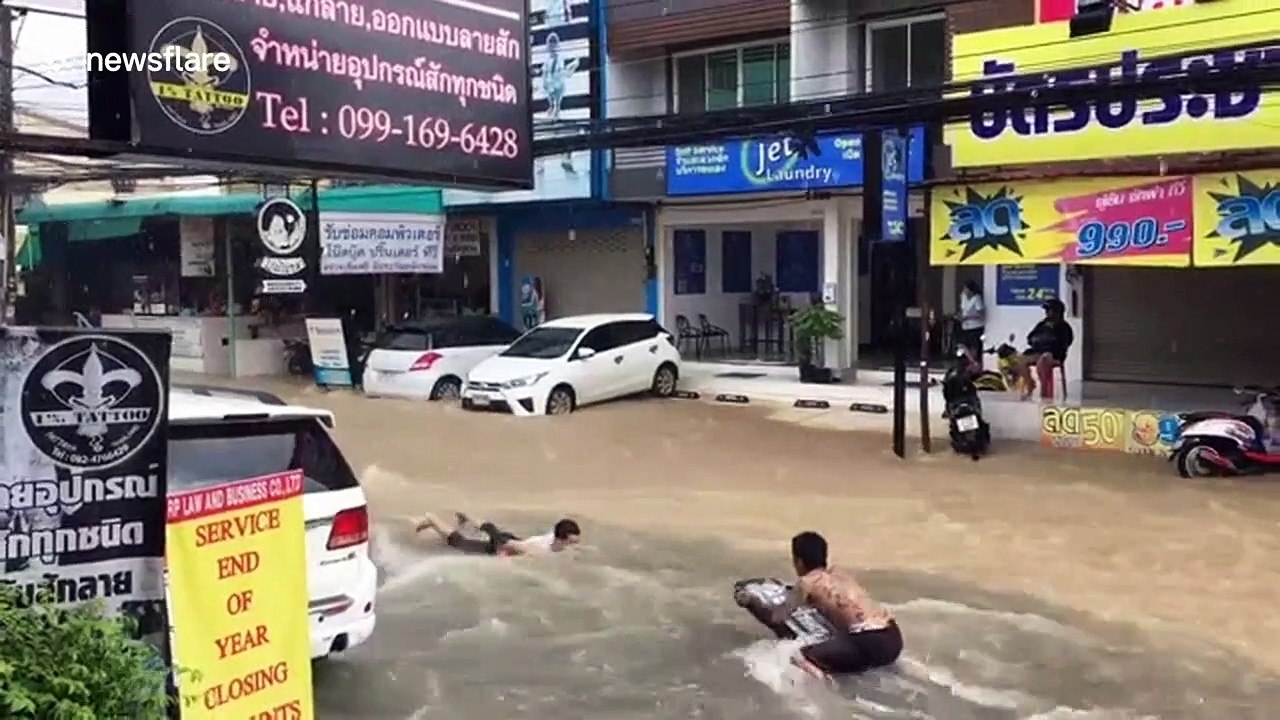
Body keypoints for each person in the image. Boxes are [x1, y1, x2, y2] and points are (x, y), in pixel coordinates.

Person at [736, 532, 902, 679]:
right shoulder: (840, 574)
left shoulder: (806, 583)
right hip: (893, 637)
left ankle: (823, 700)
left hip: (869, 643)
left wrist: (750, 601)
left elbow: (777, 617)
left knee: (796, 655)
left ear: (799, 561)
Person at [416, 511, 581, 557]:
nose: (573, 545)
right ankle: (432, 519)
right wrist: (502, 558)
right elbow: (512, 546)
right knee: (459, 543)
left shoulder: (555, 536)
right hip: (506, 545)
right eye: (571, 542)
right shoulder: (540, 549)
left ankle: (466, 518)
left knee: (491, 529)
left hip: (511, 540)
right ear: (560, 539)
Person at [1016, 298, 1074, 400]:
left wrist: (1049, 345)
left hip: (1053, 355)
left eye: (1049, 310)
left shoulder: (1064, 327)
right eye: (1046, 310)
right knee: (1020, 360)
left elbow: (1064, 344)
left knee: (1043, 361)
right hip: (1037, 351)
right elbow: (1030, 337)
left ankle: (1045, 394)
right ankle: (1030, 384)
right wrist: (1037, 341)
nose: (1047, 313)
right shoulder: (1042, 324)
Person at [956, 280, 986, 363]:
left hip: (975, 326)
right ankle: (971, 361)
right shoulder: (963, 296)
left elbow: (981, 314)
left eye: (966, 289)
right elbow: (962, 309)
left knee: (974, 347)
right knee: (961, 344)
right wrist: (960, 316)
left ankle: (974, 362)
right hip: (965, 326)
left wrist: (968, 317)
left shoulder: (977, 298)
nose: (965, 291)